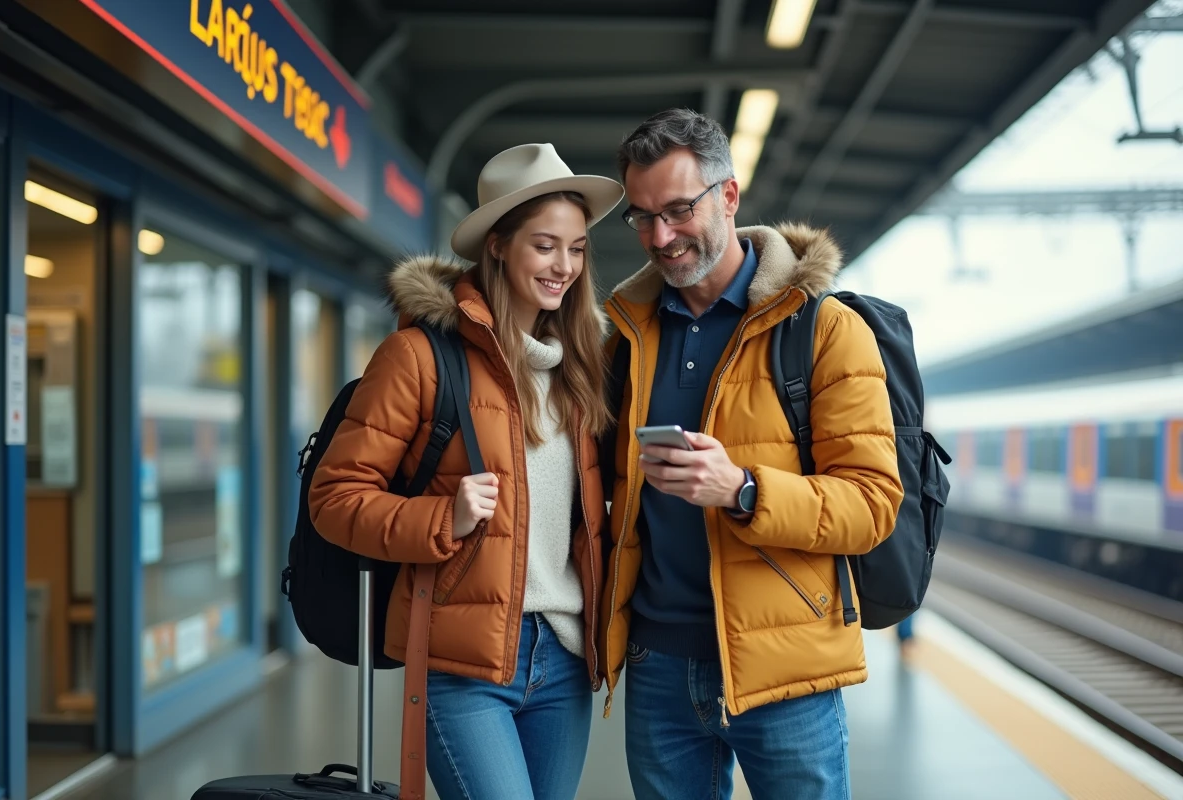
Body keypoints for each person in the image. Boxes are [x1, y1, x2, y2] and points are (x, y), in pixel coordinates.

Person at [599, 108, 905, 800]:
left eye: (679, 210)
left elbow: (872, 505)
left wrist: (742, 489)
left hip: (786, 672)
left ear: (729, 196)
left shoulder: (824, 329)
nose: (660, 237)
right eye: (642, 217)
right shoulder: (627, 338)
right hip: (657, 664)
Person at [309, 143, 623, 800]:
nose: (564, 267)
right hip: (460, 665)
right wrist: (439, 516)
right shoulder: (419, 356)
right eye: (545, 246)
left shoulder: (582, 370)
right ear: (499, 247)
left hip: (564, 658)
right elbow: (333, 498)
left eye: (576, 249)